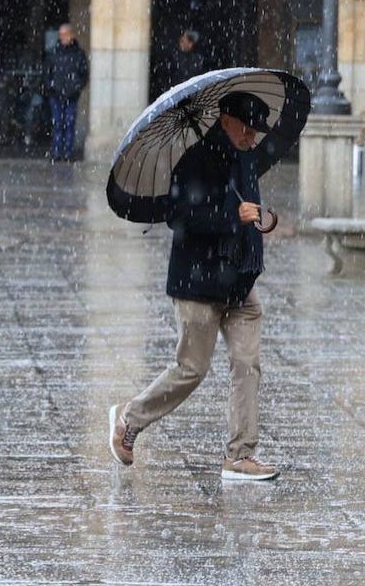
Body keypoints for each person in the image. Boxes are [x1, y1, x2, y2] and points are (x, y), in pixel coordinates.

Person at [109, 91, 280, 483]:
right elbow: (179, 215)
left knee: (247, 364)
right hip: (199, 282)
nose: (253, 136)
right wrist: (230, 215)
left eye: (257, 130)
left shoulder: (245, 158)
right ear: (225, 120)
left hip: (239, 281)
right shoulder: (194, 160)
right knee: (191, 369)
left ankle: (240, 455)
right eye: (247, 128)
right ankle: (128, 418)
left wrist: (259, 221)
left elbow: (247, 207)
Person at [44, 24, 89, 161]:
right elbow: (47, 73)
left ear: (71, 35)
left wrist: (76, 87)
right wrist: (51, 87)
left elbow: (83, 74)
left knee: (69, 125)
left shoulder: (78, 54)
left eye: (65, 34)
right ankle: (57, 152)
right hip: (56, 95)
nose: (63, 37)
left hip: (71, 95)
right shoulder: (53, 53)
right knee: (58, 124)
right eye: (61, 34)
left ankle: (68, 153)